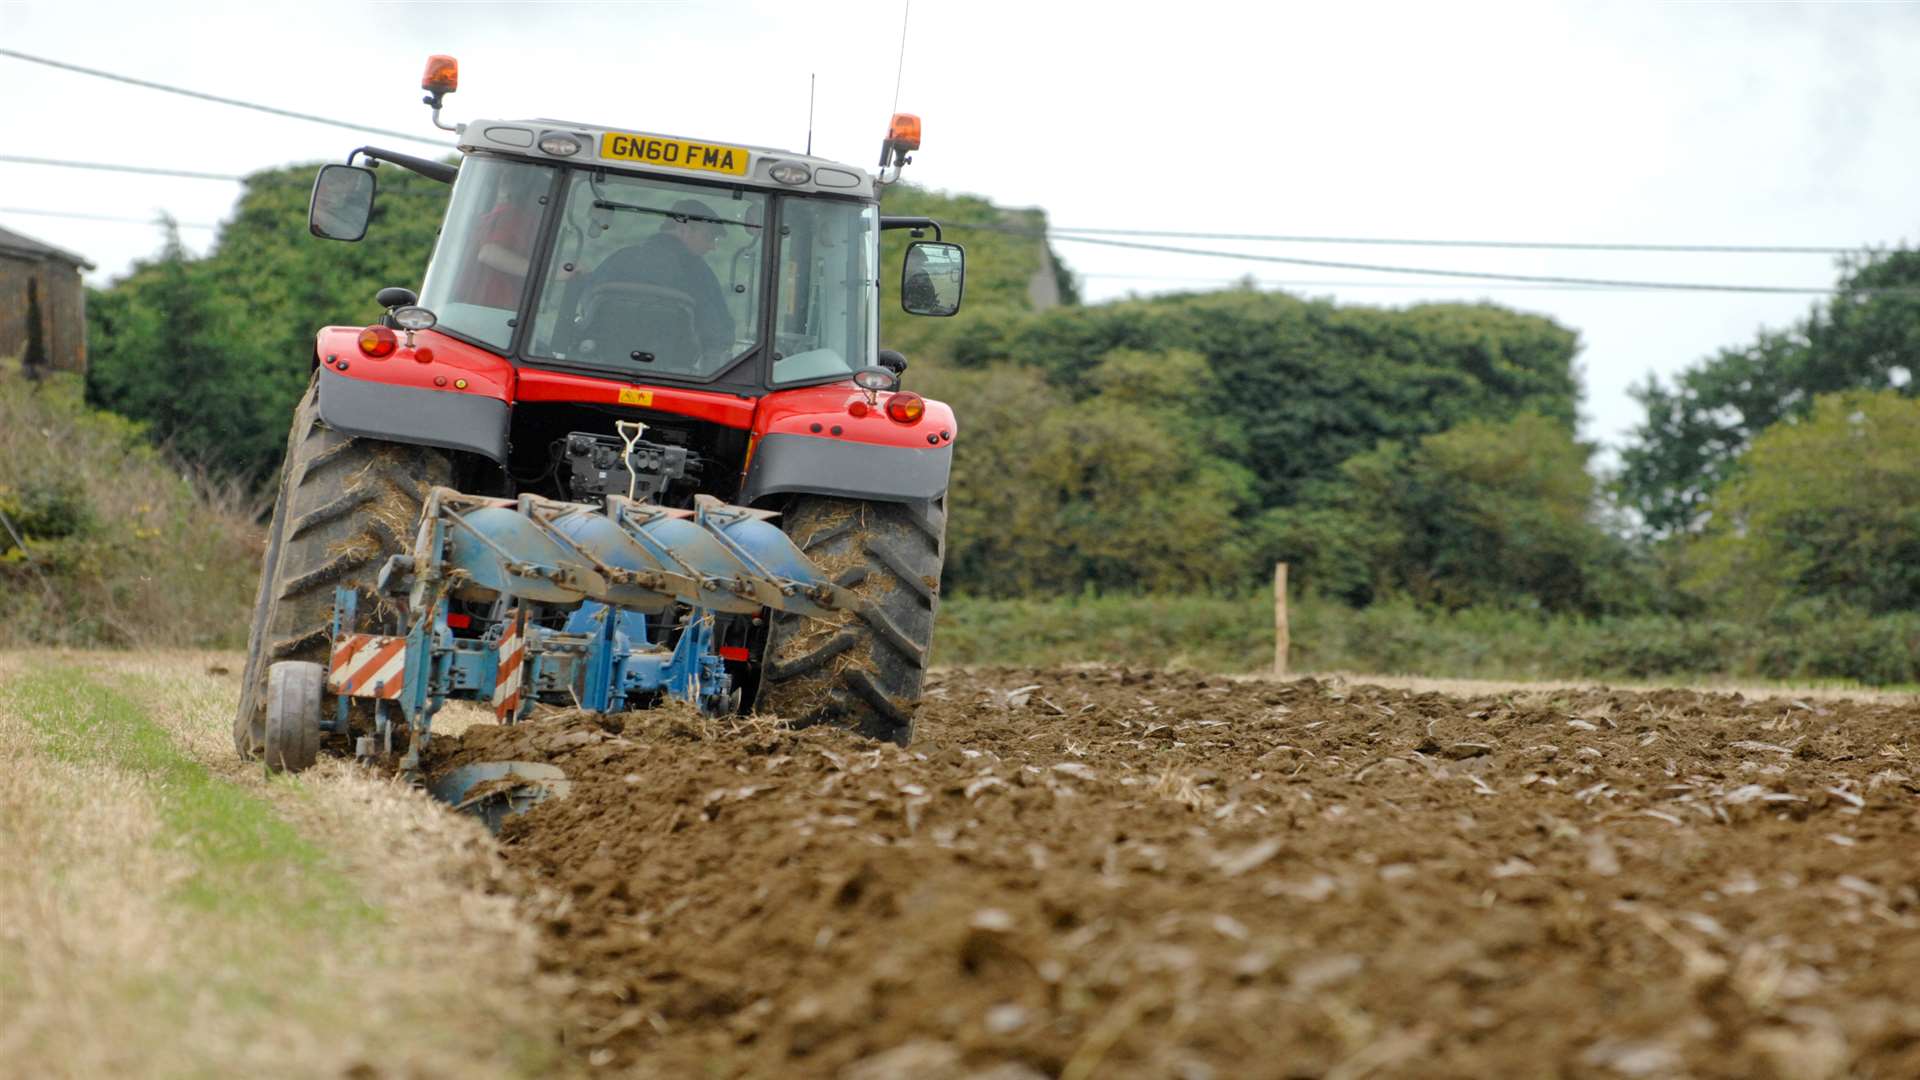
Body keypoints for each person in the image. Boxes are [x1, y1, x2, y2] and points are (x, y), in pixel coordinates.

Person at [582, 198, 735, 363]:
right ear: (684, 229)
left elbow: (586, 305)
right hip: (674, 373)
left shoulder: (620, 258)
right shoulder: (700, 274)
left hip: (601, 363)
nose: (713, 246)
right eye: (709, 237)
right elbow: (719, 333)